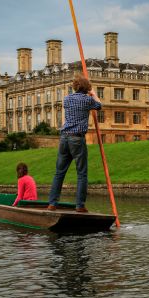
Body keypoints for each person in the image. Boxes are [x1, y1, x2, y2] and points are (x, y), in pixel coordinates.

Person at [47, 75, 102, 213]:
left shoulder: (67, 99)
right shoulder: (87, 100)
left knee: (59, 173)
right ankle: (80, 206)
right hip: (77, 139)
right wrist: (93, 94)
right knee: (82, 174)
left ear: (75, 86)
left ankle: (52, 204)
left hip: (64, 138)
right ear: (86, 88)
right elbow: (99, 105)